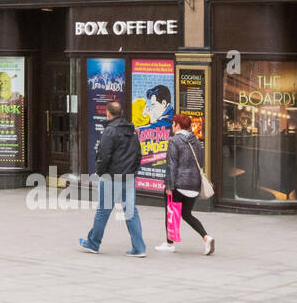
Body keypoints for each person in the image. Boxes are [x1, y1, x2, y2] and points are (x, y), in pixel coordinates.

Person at [79, 100, 147, 257]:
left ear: (108, 113)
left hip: (112, 177)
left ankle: (93, 244)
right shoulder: (131, 130)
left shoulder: (110, 131)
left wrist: (100, 172)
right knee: (131, 211)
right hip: (129, 177)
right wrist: (134, 171)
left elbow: (104, 155)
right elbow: (138, 154)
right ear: (121, 113)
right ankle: (139, 248)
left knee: (103, 211)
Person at [155, 113, 215, 254]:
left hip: (179, 185)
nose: (172, 126)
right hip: (194, 185)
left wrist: (169, 186)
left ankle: (170, 244)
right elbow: (200, 162)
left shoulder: (174, 140)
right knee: (187, 214)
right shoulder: (196, 141)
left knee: (171, 213)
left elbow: (171, 165)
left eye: (173, 123)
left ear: (178, 125)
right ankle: (206, 238)